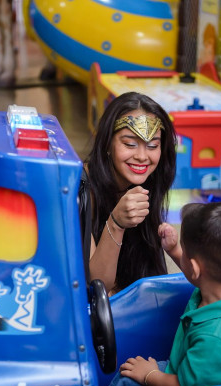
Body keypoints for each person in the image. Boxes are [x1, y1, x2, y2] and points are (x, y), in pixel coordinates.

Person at [101, 201, 221, 386]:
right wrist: (175, 250)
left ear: (196, 268)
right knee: (128, 379)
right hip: (195, 374)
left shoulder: (218, 337)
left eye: (185, 252)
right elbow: (198, 274)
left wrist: (149, 375)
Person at [80, 91, 177, 295]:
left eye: (152, 146)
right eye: (130, 144)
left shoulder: (151, 181)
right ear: (107, 143)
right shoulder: (80, 190)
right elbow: (96, 288)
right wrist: (116, 223)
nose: (142, 156)